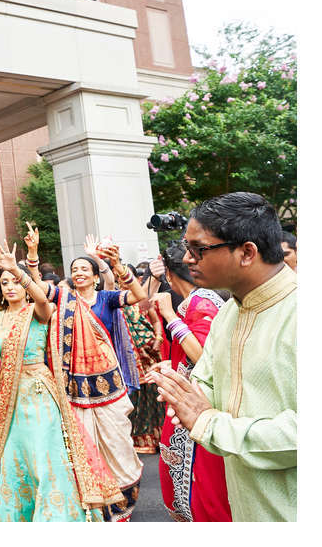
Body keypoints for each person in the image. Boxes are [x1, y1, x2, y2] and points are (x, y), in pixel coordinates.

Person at [147, 192, 296, 521]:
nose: (187, 259)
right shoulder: (228, 313)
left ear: (246, 252)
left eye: (198, 249)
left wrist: (210, 423)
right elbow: (205, 382)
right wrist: (185, 395)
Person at [0, 240, 121, 521]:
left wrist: (19, 270)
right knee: (15, 458)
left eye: (15, 282)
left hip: (39, 393)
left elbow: (44, 300)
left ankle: (55, 519)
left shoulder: (37, 313)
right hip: (10, 399)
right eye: (5, 282)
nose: (10, 287)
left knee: (46, 456)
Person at [27, 224, 146, 521]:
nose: (79, 272)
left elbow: (139, 294)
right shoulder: (64, 299)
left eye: (85, 269)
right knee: (84, 448)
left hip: (110, 389)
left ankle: (121, 506)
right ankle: (94, 509)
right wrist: (32, 258)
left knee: (119, 448)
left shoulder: (107, 299)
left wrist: (117, 265)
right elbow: (38, 289)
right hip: (75, 390)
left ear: (95, 276)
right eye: (74, 269)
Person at [142, 244, 231, 522]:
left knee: (203, 489)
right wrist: (171, 365)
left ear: (169, 274)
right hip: (187, 398)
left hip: (198, 403)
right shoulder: (194, 300)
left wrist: (169, 317)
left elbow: (203, 355)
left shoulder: (200, 301)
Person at [116, 265, 166, 454]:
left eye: (126, 278)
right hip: (131, 361)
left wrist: (158, 338)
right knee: (135, 400)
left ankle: (157, 437)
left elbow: (154, 321)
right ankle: (138, 439)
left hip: (149, 355)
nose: (123, 282)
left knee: (154, 396)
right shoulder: (119, 302)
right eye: (119, 279)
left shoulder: (142, 302)